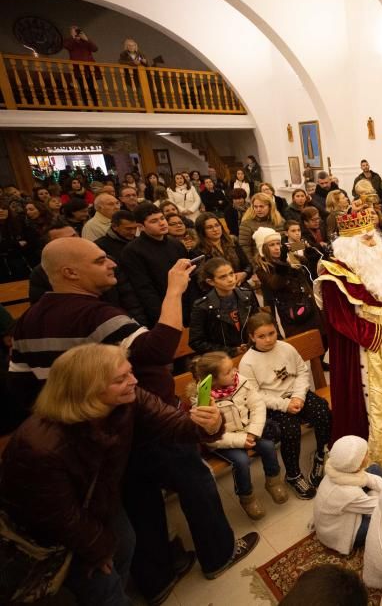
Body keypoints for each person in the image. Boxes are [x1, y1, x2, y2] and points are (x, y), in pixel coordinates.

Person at [6, 238, 255, 600]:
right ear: (70, 272)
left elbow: (21, 389)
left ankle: (157, 580)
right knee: (195, 483)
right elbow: (158, 350)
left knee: (139, 502)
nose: (111, 263)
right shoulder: (95, 315)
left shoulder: (28, 320)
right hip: (142, 426)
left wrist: (79, 412)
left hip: (99, 437)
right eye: (99, 260)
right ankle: (218, 555)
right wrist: (174, 290)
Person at [0, 343, 224, 606]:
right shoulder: (40, 445)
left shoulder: (128, 398)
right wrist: (97, 549)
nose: (134, 380)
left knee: (125, 543)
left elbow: (171, 423)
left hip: (99, 501)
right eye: (121, 378)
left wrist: (210, 426)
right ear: (89, 389)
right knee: (101, 584)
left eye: (129, 372)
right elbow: (60, 517)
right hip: (48, 532)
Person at [317, 209, 382, 469]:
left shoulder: (370, 269)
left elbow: (378, 303)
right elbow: (340, 320)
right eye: (367, 239)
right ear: (351, 245)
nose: (375, 244)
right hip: (357, 352)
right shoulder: (333, 275)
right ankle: (369, 457)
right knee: (368, 403)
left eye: (373, 238)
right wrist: (381, 332)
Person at [239, 312, 331, 499]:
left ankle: (321, 454)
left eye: (272, 333)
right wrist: (284, 405)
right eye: (261, 336)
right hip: (274, 404)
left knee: (322, 411)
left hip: (297, 395)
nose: (268, 340)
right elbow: (254, 396)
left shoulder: (286, 348)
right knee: (290, 430)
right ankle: (293, 474)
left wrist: (298, 397)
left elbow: (301, 372)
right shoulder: (247, 362)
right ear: (251, 337)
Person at [190, 351, 289, 519]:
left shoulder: (241, 382)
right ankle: (247, 498)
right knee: (242, 461)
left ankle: (273, 482)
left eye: (233, 368)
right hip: (223, 440)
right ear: (213, 380)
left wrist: (252, 432)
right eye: (228, 371)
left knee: (268, 446)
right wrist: (242, 441)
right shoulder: (202, 401)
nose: (235, 371)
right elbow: (212, 438)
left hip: (247, 431)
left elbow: (258, 406)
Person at [120, 202, 192, 326]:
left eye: (162, 218)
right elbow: (144, 290)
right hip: (161, 312)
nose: (162, 223)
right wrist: (162, 318)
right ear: (141, 226)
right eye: (154, 221)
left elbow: (189, 276)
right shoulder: (132, 251)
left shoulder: (175, 243)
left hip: (186, 305)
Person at [313, 435, 382, 553]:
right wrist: (376, 494)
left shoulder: (337, 469)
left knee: (375, 469)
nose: (369, 454)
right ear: (356, 464)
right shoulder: (348, 493)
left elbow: (368, 478)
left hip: (347, 507)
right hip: (338, 533)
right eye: (365, 454)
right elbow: (381, 506)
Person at [253, 227, 322, 338]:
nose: (277, 248)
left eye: (278, 244)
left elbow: (310, 264)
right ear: (263, 248)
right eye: (271, 245)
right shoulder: (262, 268)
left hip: (310, 307)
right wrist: (283, 262)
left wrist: (308, 249)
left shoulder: (292, 257)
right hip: (291, 315)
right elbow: (275, 284)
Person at [189, 257, 260, 355]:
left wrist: (252, 343)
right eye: (223, 277)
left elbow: (258, 324)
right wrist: (232, 351)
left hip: (252, 351)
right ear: (211, 282)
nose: (230, 279)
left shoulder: (246, 295)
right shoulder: (202, 307)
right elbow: (196, 342)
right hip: (223, 359)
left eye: (231, 274)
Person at [192, 212, 252, 291]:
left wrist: (244, 274)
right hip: (218, 293)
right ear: (202, 231)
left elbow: (248, 266)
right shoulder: (197, 251)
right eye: (209, 227)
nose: (215, 229)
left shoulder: (232, 241)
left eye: (217, 225)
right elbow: (201, 281)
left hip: (241, 288)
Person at [238, 192, 285, 260]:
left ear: (270, 206)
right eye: (255, 206)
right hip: (259, 261)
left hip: (280, 259)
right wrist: (254, 264)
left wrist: (301, 245)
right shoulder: (246, 223)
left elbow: (286, 242)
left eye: (261, 206)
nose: (258, 210)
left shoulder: (279, 221)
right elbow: (245, 247)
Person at [63, 25, 101, 106]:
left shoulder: (85, 40)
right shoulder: (69, 40)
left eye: (77, 30)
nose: (76, 32)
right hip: (78, 68)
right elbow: (67, 46)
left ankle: (96, 106)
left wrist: (86, 39)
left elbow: (95, 49)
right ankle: (87, 107)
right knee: (83, 88)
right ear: (71, 32)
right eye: (74, 31)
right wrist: (73, 38)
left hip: (89, 67)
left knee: (92, 88)